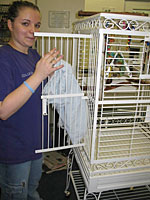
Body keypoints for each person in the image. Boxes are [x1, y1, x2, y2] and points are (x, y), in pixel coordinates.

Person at [0, 1, 63, 200]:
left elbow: (37, 93)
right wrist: (38, 75)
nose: (33, 31)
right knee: (15, 194)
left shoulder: (33, 55)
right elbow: (3, 111)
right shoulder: (4, 58)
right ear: (10, 24)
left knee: (32, 189)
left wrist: (52, 75)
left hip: (37, 143)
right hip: (16, 148)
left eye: (36, 25)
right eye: (25, 24)